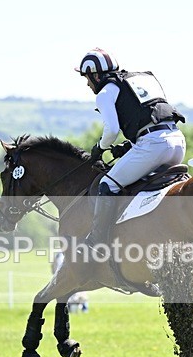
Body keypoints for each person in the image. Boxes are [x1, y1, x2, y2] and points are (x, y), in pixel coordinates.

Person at [75, 48, 186, 254]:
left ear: (96, 75)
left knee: (107, 184)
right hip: (177, 141)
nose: (88, 84)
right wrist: (127, 146)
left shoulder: (105, 92)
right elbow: (149, 114)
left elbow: (112, 130)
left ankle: (97, 242)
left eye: (87, 78)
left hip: (153, 146)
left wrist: (100, 148)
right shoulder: (139, 81)